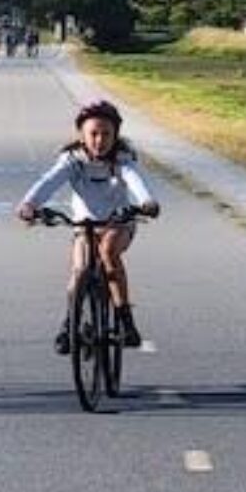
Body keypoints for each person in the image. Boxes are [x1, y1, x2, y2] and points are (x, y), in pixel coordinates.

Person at [15, 100, 160, 353]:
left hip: (118, 221)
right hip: (84, 225)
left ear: (116, 135)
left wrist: (147, 201)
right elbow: (49, 181)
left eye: (106, 134)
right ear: (82, 134)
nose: (99, 140)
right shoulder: (73, 160)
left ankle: (126, 321)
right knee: (80, 268)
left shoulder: (122, 160)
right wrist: (29, 203)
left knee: (107, 252)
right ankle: (69, 323)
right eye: (93, 133)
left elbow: (135, 181)